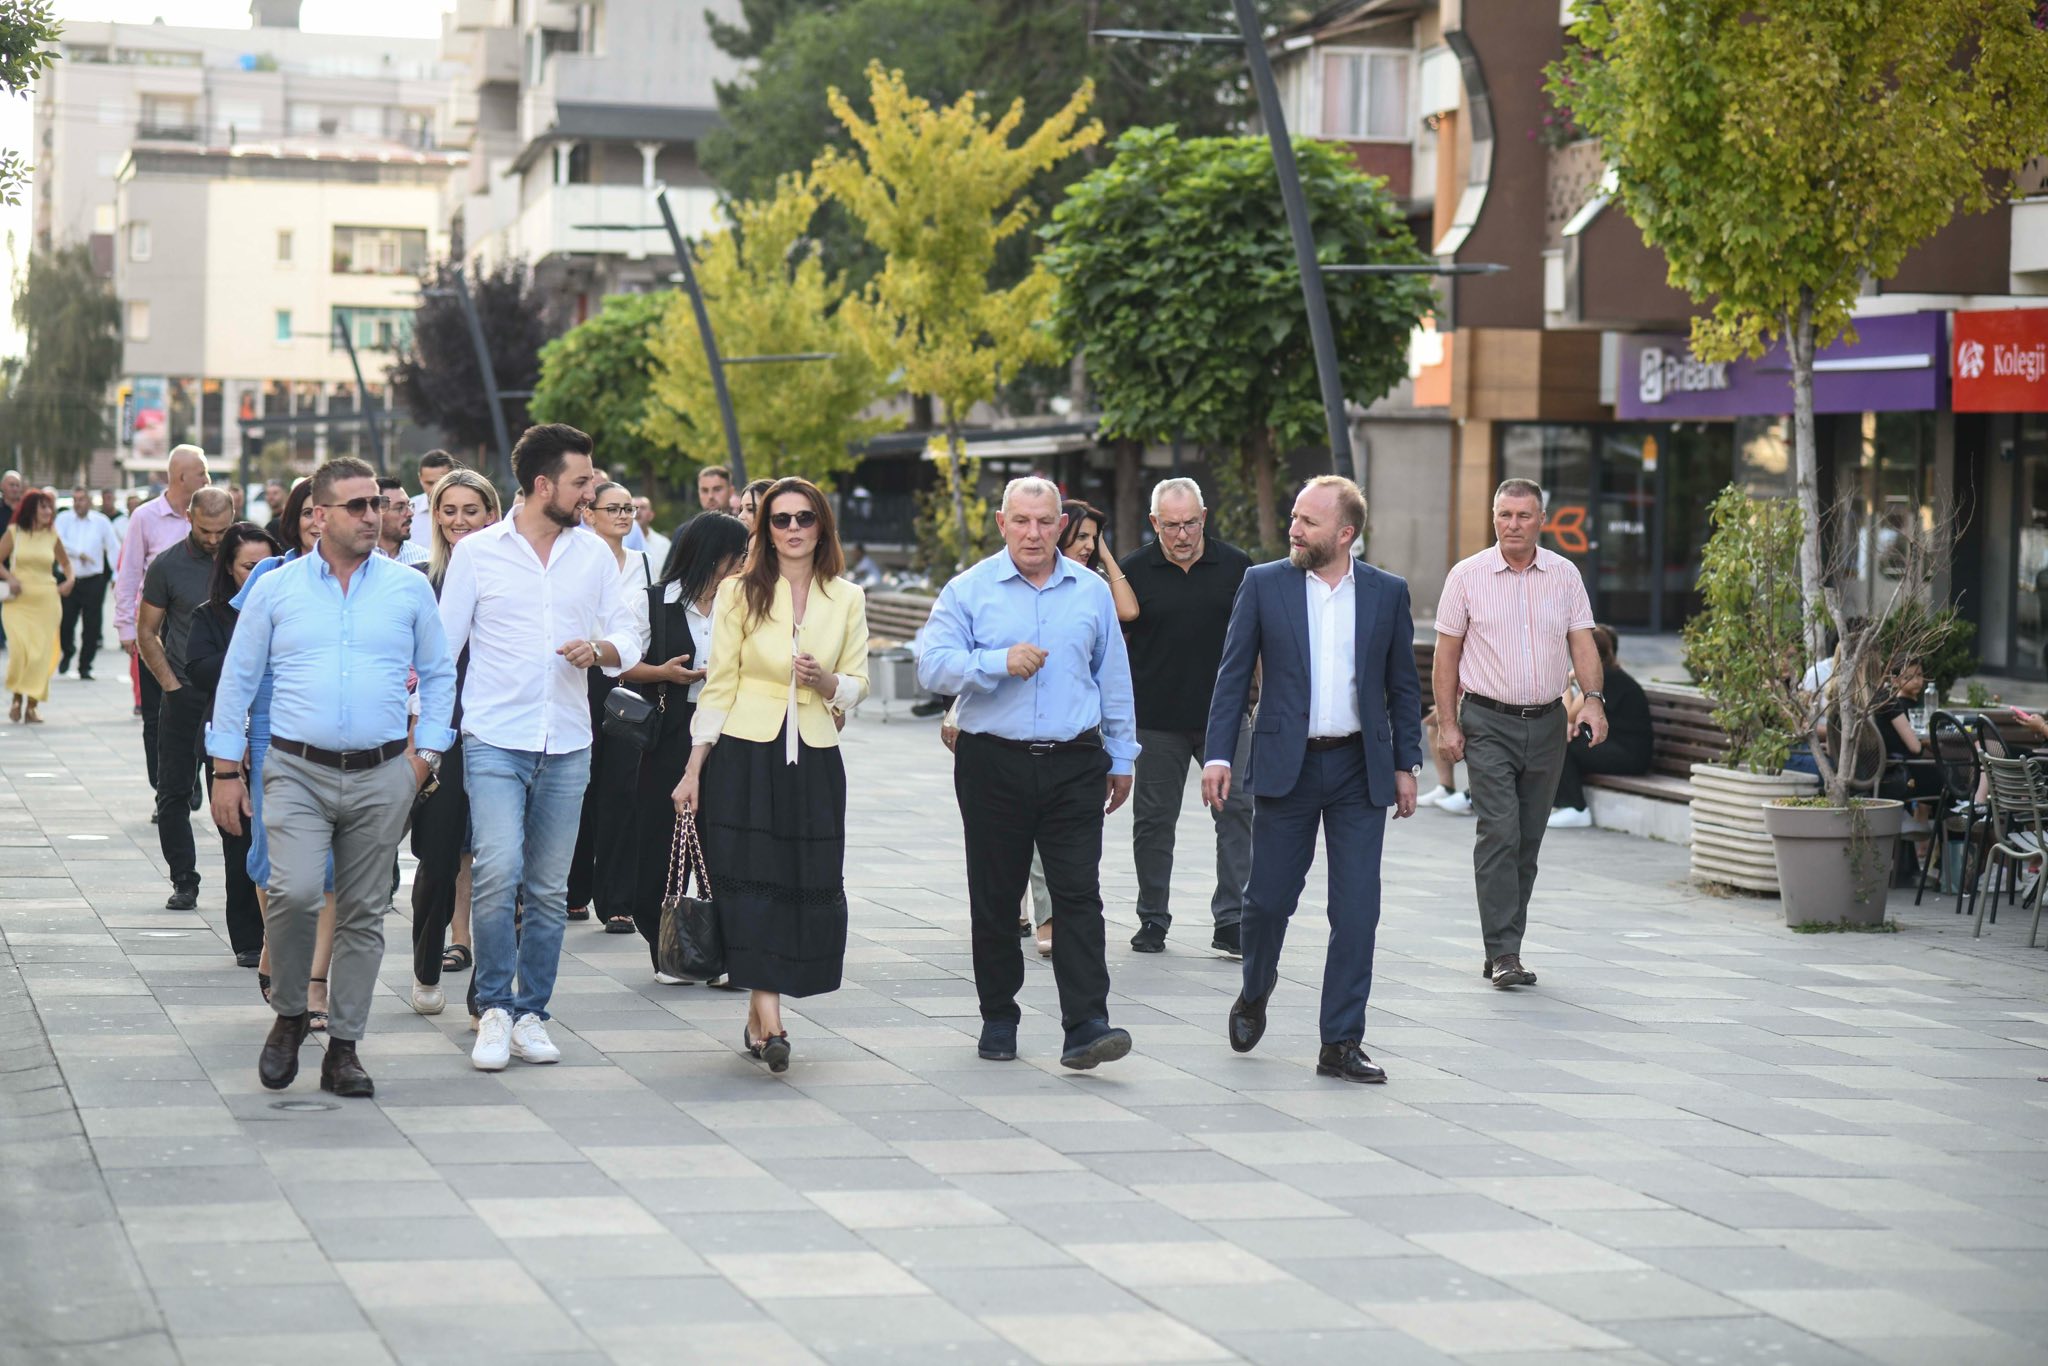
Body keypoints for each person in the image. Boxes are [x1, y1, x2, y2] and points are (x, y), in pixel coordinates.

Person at [208, 457, 455, 1099]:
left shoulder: (407, 588)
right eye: (358, 506)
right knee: (293, 894)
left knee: (364, 914)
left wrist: (425, 755)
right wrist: (225, 769)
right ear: (318, 516)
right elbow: (236, 680)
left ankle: (344, 1047)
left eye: (378, 503)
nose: (374, 515)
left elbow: (439, 672)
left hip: (383, 772)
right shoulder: (276, 587)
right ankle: (291, 1013)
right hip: (296, 770)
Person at [1199, 477, 1420, 1084]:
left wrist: (1407, 764)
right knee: (1266, 901)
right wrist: (1218, 755)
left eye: (1308, 522)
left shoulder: (1387, 593)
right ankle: (1255, 989)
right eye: (1294, 517)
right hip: (1285, 766)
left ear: (1345, 534)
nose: (1294, 529)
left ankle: (1341, 1042)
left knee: (1356, 910)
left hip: (1358, 769)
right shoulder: (1263, 584)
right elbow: (1231, 676)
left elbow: (1403, 686)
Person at [439, 423, 645, 1072]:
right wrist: (427, 738)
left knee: (550, 890)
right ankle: (494, 1008)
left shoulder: (595, 556)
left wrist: (601, 650)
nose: (592, 492)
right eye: (582, 481)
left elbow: (629, 637)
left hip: (569, 742)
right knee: (498, 871)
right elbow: (443, 649)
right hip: (494, 740)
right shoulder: (478, 554)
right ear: (542, 485)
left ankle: (532, 1013)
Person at [918, 477, 1139, 1071]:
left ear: (1062, 525)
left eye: (1045, 522)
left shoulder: (1090, 591)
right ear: (1002, 523)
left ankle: (1087, 1024)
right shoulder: (969, 590)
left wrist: (1122, 756)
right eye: (1021, 521)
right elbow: (931, 667)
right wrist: (996, 662)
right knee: (994, 896)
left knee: (1078, 894)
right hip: (993, 760)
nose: (1034, 533)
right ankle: (998, 1016)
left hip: (1074, 761)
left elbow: (1113, 677)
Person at [673, 478, 869, 1074]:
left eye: (804, 517)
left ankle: (761, 1014)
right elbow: (720, 684)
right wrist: (693, 768)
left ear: (822, 525)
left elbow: (858, 682)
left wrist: (827, 682)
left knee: (803, 879)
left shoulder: (847, 596)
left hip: (815, 753)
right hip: (744, 751)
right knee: (749, 879)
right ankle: (772, 1017)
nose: (793, 529)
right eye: (780, 519)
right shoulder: (739, 592)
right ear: (765, 529)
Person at [1433, 478, 1605, 991]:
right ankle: (1504, 951)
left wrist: (1593, 700)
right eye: (1504, 514)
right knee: (1500, 831)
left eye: (1523, 515)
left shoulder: (1565, 575)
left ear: (1542, 520)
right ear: (1493, 517)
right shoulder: (1466, 576)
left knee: (1528, 839)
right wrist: (1447, 724)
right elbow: (1446, 658)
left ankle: (1505, 944)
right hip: (1487, 721)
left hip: (1548, 722)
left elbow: (1583, 643)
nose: (1512, 524)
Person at [1112, 477, 1253, 959]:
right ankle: (1153, 917)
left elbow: (1259, 639)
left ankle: (1232, 919)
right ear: (1154, 523)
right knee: (1153, 821)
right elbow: (1115, 648)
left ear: (1204, 517)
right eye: (1171, 526)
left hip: (1225, 717)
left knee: (1238, 811)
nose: (1182, 535)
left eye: (1191, 523)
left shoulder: (1237, 567)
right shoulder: (1134, 571)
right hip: (1156, 719)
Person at [628, 513, 748, 979]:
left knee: (726, 838)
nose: (744, 563)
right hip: (672, 729)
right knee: (662, 838)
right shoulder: (655, 602)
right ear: (713, 555)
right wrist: (663, 673)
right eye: (738, 555)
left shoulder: (746, 601)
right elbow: (620, 664)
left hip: (733, 729)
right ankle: (667, 946)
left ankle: (725, 950)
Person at [407, 469, 502, 1016]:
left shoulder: (510, 575)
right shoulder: (419, 581)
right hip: (440, 736)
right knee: (438, 858)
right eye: (449, 510)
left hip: (499, 732)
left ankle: (485, 990)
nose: (460, 520)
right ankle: (425, 967)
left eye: (471, 510)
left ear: (491, 514)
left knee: (498, 864)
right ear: (435, 516)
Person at [183, 522, 283, 966]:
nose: (258, 574)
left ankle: (283, 936)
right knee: (239, 838)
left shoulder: (289, 606)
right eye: (248, 566)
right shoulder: (212, 614)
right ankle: (248, 938)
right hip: (228, 735)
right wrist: (248, 650)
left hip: (282, 734)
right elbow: (199, 670)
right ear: (228, 568)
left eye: (266, 563)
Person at [138, 488, 236, 909]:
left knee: (235, 795)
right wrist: (171, 687)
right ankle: (184, 879)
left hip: (235, 700)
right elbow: (147, 632)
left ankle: (243, 890)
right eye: (205, 530)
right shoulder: (168, 565)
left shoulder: (247, 561)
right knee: (173, 792)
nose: (213, 540)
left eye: (221, 531)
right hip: (184, 695)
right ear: (189, 519)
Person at [567, 480, 653, 931]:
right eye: (613, 508)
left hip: (628, 682)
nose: (622, 516)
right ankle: (573, 891)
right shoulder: (576, 558)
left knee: (622, 790)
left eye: (628, 509)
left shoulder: (645, 564)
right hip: (580, 678)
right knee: (578, 784)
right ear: (590, 514)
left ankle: (618, 900)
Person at [119, 446, 212, 791]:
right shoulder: (145, 517)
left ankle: (189, 777)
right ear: (181, 477)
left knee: (195, 705)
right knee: (156, 714)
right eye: (202, 473)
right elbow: (130, 573)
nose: (208, 479)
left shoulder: (210, 517)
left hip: (197, 626)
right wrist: (126, 627)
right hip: (154, 626)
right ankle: (165, 788)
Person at [1549, 625, 1654, 828]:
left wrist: (1566, 679)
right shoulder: (1608, 675)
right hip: (1618, 748)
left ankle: (1576, 808)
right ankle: (1567, 806)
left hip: (1631, 756)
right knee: (1561, 741)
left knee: (1562, 745)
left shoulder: (1605, 679)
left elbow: (1567, 713)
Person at [2, 490, 73, 721]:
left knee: (39, 655)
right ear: (31, 509)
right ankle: (16, 698)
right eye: (43, 507)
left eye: (50, 507)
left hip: (47, 602)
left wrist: (70, 581)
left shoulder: (52, 535)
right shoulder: (15, 532)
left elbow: (66, 564)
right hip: (17, 603)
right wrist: (10, 578)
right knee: (20, 652)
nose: (48, 511)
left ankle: (32, 705)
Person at [55, 485, 122, 679]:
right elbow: (58, 542)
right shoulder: (63, 519)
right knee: (66, 622)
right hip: (69, 579)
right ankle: (68, 650)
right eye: (75, 500)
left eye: (82, 499)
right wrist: (79, 553)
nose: (78, 504)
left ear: (90, 501)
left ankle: (85, 665)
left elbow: (113, 548)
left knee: (92, 625)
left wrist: (117, 576)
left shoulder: (101, 522)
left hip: (93, 580)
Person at [376, 477, 431, 567]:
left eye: (409, 505)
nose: (410, 513)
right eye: (400, 508)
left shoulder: (424, 560)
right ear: (376, 512)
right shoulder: (357, 561)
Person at [408, 450, 456, 550]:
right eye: (429, 483)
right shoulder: (408, 510)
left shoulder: (469, 511)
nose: (435, 489)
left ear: (454, 478)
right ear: (420, 478)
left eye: (440, 482)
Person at [675, 464, 732, 541]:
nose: (710, 496)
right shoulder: (685, 532)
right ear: (698, 493)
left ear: (731, 491)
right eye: (704, 490)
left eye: (717, 489)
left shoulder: (744, 526)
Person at [1057, 500, 1109, 575]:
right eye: (1082, 536)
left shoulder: (1096, 577)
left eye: (1094, 538)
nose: (1091, 547)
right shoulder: (1041, 577)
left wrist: (1107, 557)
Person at [636, 496, 672, 576]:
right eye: (632, 508)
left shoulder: (664, 544)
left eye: (642, 507)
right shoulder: (619, 544)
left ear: (651, 515)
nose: (637, 511)